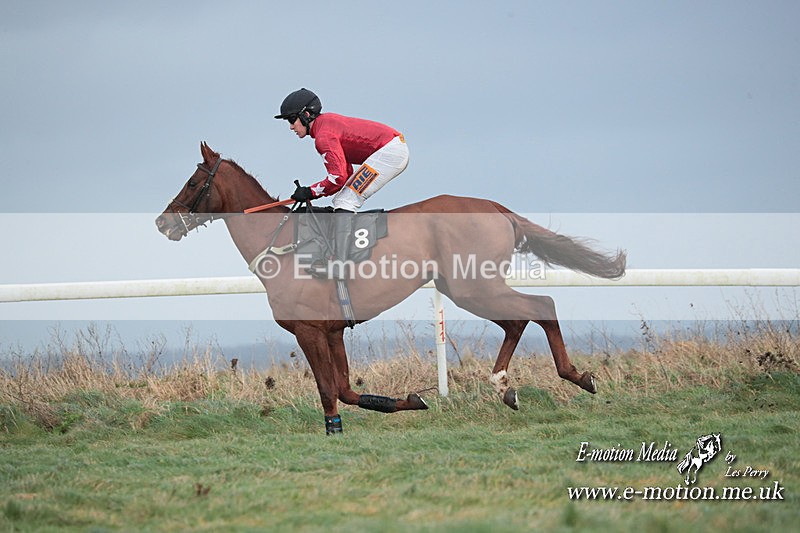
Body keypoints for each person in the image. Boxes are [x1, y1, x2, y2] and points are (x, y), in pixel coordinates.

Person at [275, 88, 409, 279]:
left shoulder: (323, 136)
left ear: (305, 115)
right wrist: (313, 191)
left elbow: (337, 178)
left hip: (390, 152)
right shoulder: (324, 126)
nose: (290, 127)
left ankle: (339, 265)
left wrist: (310, 192)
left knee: (346, 200)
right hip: (391, 148)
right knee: (342, 198)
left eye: (291, 120)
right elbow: (345, 174)